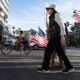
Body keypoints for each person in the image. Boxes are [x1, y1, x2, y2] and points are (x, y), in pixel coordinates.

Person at [38, 4, 73, 73]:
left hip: (56, 36)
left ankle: (45, 68)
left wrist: (62, 36)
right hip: (54, 36)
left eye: (48, 9)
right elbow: (50, 27)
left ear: (52, 9)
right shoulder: (51, 17)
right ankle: (69, 67)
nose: (47, 10)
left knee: (48, 51)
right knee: (61, 53)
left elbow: (62, 25)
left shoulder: (56, 15)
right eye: (46, 9)